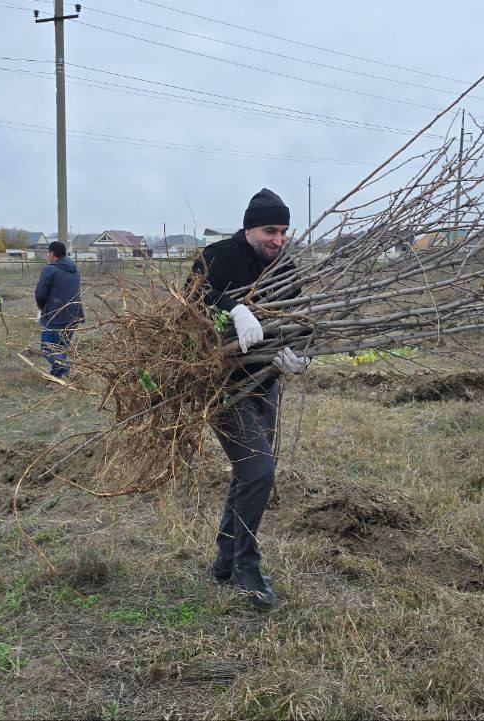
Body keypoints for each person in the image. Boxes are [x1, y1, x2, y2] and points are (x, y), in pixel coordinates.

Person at [189, 188, 311, 611]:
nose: (277, 239)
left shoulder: (284, 266)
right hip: (223, 386)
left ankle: (224, 562)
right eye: (269, 230)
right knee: (259, 471)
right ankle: (246, 564)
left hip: (265, 381)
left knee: (248, 473)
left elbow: (302, 320)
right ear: (248, 227)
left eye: (282, 231)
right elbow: (189, 301)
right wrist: (233, 308)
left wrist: (300, 355)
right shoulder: (216, 256)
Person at [34, 240, 83, 378]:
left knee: (47, 349)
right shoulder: (75, 269)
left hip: (55, 315)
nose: (47, 255)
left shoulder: (50, 269)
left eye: (48, 252)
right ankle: (57, 377)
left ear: (52, 253)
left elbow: (40, 293)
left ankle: (65, 369)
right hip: (73, 315)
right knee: (61, 348)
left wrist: (40, 306)